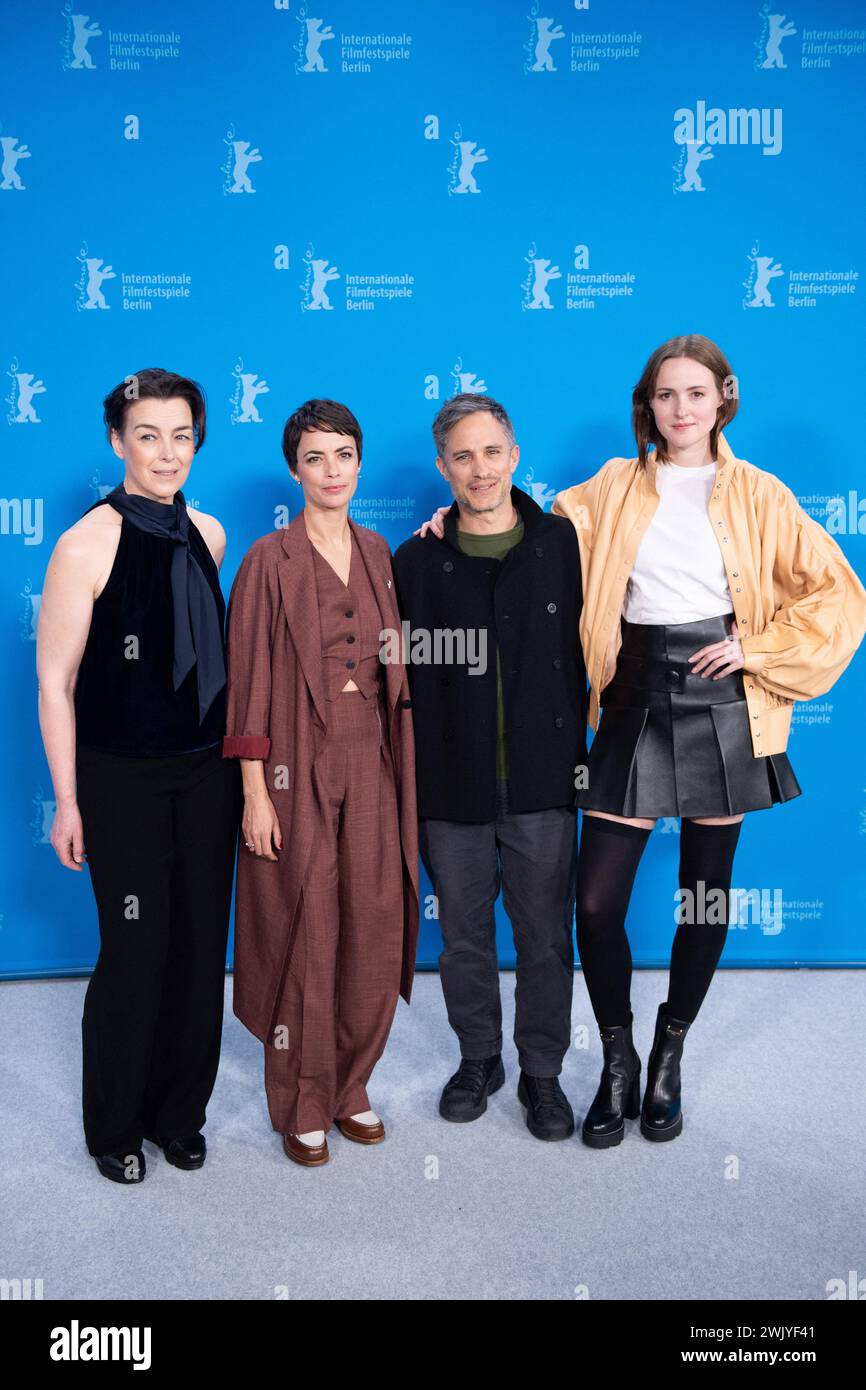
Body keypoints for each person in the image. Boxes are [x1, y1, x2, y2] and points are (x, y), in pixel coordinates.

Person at [551, 334, 866, 1146]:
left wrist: (757, 650)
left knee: (705, 893)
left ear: (723, 397)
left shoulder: (760, 493)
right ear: (647, 404)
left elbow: (838, 592)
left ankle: (669, 1051)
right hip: (632, 693)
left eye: (696, 393)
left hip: (724, 699)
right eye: (665, 394)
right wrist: (466, 516)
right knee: (593, 901)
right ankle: (616, 1057)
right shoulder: (616, 485)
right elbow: (544, 535)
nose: (680, 408)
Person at [37, 367, 241, 1184]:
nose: (166, 452)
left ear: (198, 441)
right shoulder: (85, 543)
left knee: (198, 951)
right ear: (118, 442)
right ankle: (114, 1126)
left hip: (205, 776)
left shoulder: (213, 534)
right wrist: (69, 800)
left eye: (181, 435)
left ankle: (177, 1115)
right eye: (147, 435)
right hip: (120, 778)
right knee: (134, 950)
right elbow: (55, 681)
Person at [222, 398, 419, 1168]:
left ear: (359, 463)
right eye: (315, 457)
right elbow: (246, 688)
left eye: (343, 455)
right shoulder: (266, 560)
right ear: (294, 469)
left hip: (370, 753)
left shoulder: (379, 552)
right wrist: (253, 793)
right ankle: (303, 1098)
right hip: (291, 760)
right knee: (306, 921)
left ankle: (351, 1086)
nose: (331, 470)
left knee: (372, 916)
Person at [394, 394, 588, 1141]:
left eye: (492, 451)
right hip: (451, 786)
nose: (480, 469)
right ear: (444, 468)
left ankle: (542, 1071)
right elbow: (395, 672)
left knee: (544, 936)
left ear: (515, 454)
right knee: (464, 939)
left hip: (545, 781)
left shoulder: (565, 545)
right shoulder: (415, 560)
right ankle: (480, 1058)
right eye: (463, 457)